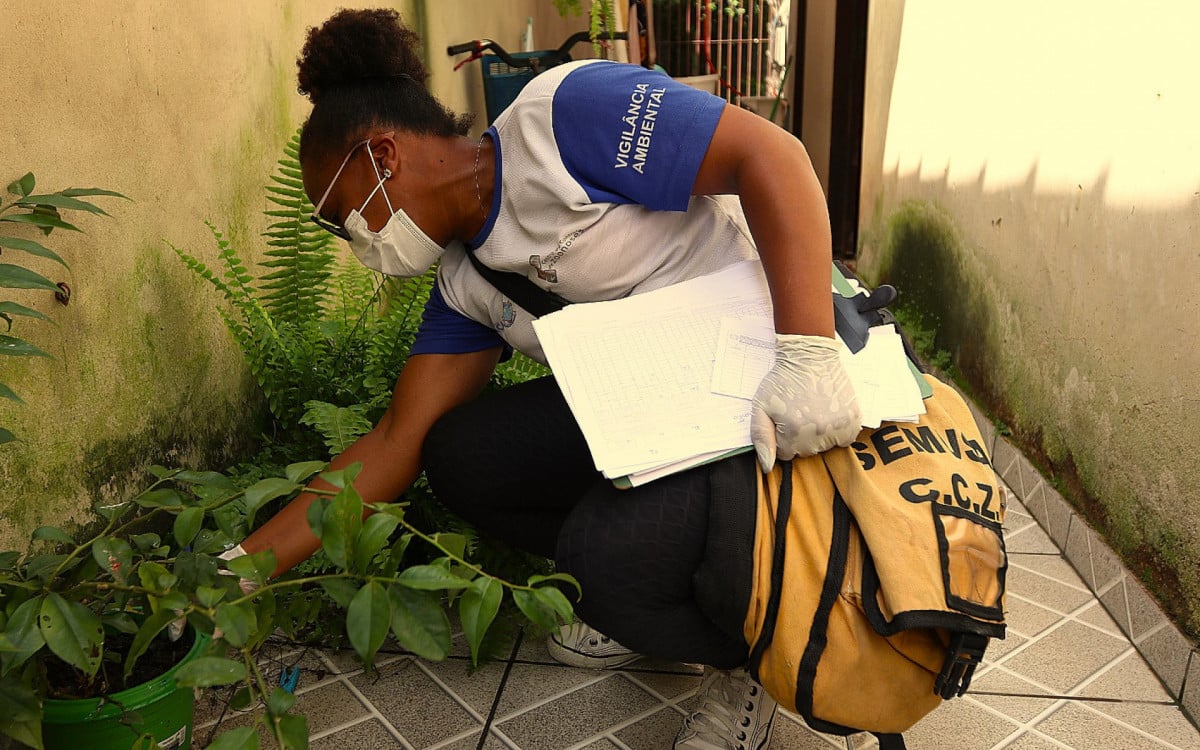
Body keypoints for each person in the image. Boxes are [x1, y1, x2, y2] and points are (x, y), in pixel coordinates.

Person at [235, 9, 862, 749]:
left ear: (383, 156)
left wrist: (808, 353)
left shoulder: (563, 120)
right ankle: (664, 607)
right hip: (662, 416)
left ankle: (752, 660)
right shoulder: (466, 284)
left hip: (757, 382)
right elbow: (395, 441)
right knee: (461, 456)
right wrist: (239, 571)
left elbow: (772, 154)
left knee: (603, 562)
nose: (357, 246)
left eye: (343, 219)